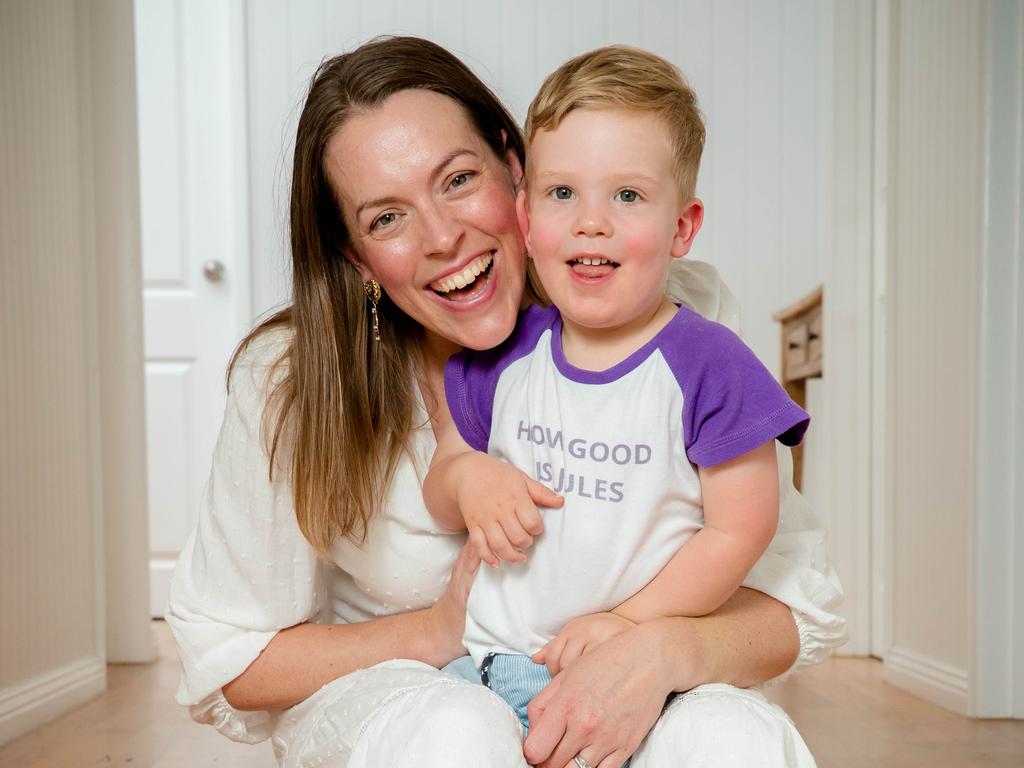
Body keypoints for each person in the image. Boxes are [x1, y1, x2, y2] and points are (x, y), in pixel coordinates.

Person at [166, 35, 846, 768]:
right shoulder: (293, 381)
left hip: (627, 674)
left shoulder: (683, 333)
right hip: (413, 700)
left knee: (732, 741)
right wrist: (432, 632)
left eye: (457, 180)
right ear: (357, 256)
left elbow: (794, 597)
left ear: (514, 174)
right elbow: (230, 658)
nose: (443, 237)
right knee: (453, 733)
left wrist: (659, 648)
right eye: (386, 218)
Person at [425, 44, 812, 753]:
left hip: (644, 684)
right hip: (488, 665)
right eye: (563, 193)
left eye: (627, 195)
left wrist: (633, 623)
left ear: (682, 228)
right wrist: (470, 478)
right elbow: (442, 477)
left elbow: (740, 529)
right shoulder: (506, 356)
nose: (591, 221)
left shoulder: (711, 365)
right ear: (526, 219)